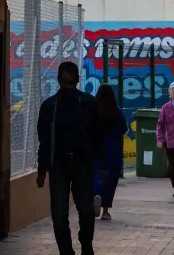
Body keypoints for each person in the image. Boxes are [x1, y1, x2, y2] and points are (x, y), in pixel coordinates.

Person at [37, 61, 106, 255]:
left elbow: (98, 135)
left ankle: (86, 246)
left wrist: (103, 166)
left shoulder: (87, 103)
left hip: (82, 164)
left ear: (77, 80)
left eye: (72, 82)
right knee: (59, 213)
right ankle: (66, 251)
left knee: (86, 210)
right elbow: (44, 141)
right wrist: (42, 171)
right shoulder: (50, 106)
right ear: (58, 80)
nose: (68, 87)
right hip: (58, 166)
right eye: (64, 82)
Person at [93, 84, 128, 220]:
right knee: (110, 177)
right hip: (113, 149)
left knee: (95, 174)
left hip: (96, 147)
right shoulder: (117, 112)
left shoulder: (93, 110)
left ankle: (95, 195)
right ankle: (105, 211)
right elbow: (124, 130)